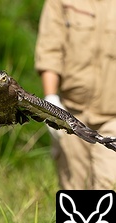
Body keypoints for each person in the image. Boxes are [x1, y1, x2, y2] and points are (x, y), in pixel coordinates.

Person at [35, 0, 116, 190]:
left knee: (109, 185)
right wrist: (51, 100)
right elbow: (50, 52)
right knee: (76, 194)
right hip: (71, 114)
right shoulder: (61, 2)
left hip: (113, 117)